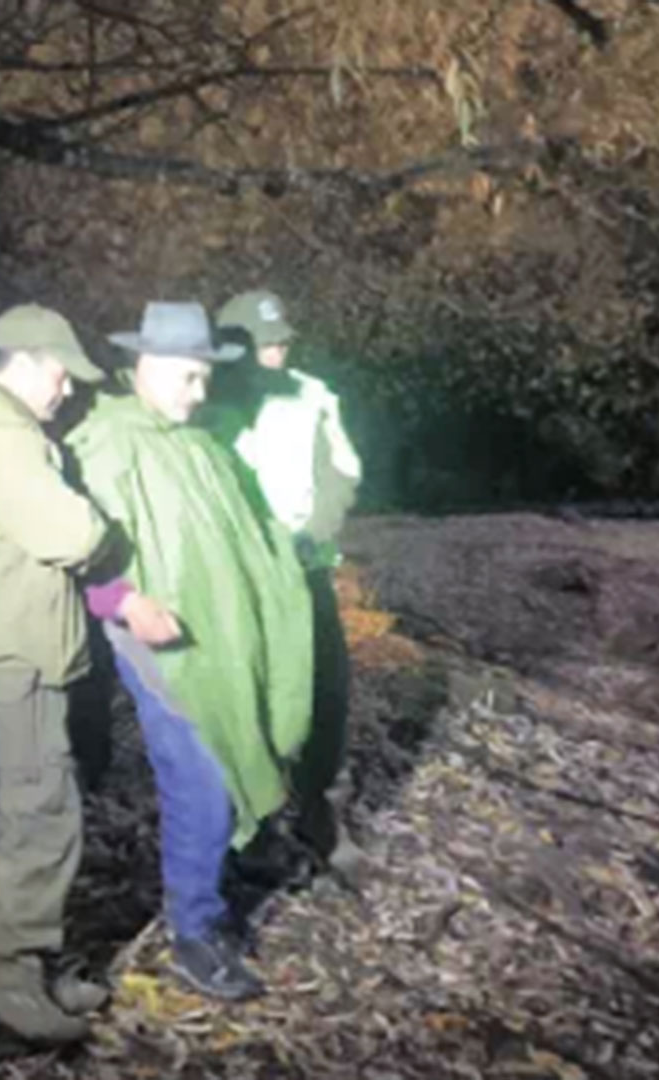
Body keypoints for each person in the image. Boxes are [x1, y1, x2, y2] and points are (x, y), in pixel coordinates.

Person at [0, 303, 176, 1044]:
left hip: (1, 650)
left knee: (35, 811)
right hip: (10, 659)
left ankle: (37, 962)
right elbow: (70, 531)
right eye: (62, 373)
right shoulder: (0, 440)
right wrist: (107, 530)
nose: (67, 390)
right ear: (25, 363)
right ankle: (11, 985)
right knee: (43, 817)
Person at [67, 300, 316, 1002]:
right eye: (186, 377)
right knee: (200, 781)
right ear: (141, 366)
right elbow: (72, 548)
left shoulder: (198, 441)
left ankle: (229, 869)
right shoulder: (108, 441)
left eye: (205, 378)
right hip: (164, 647)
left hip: (224, 639)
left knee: (236, 751)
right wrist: (121, 603)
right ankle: (195, 931)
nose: (199, 392)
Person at [210, 289, 367, 879]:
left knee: (328, 693)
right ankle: (251, 829)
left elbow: (342, 472)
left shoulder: (312, 397)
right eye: (261, 344)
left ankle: (321, 815)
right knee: (248, 698)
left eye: (280, 342)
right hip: (240, 580)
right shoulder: (207, 402)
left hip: (305, 568)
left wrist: (314, 531)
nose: (274, 353)